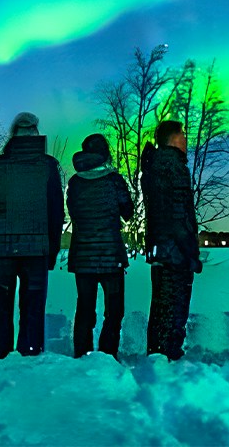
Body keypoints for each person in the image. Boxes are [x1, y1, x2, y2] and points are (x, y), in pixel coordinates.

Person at [0, 111, 63, 358]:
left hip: (2, 250)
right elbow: (56, 212)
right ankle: (30, 352)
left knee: (0, 307)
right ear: (36, 133)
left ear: (13, 134)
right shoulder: (48, 165)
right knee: (33, 308)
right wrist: (52, 249)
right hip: (37, 250)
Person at [66, 133, 134, 358]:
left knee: (85, 308)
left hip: (82, 255)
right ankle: (107, 356)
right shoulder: (114, 180)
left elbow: (74, 213)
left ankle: (82, 354)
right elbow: (128, 213)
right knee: (114, 311)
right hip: (110, 256)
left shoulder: (74, 183)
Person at [140, 119, 200, 359]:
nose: (186, 140)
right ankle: (168, 357)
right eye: (183, 135)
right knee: (173, 307)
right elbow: (178, 213)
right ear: (173, 139)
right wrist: (189, 251)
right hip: (174, 250)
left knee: (162, 307)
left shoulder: (156, 164)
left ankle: (158, 355)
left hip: (162, 248)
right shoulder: (171, 166)